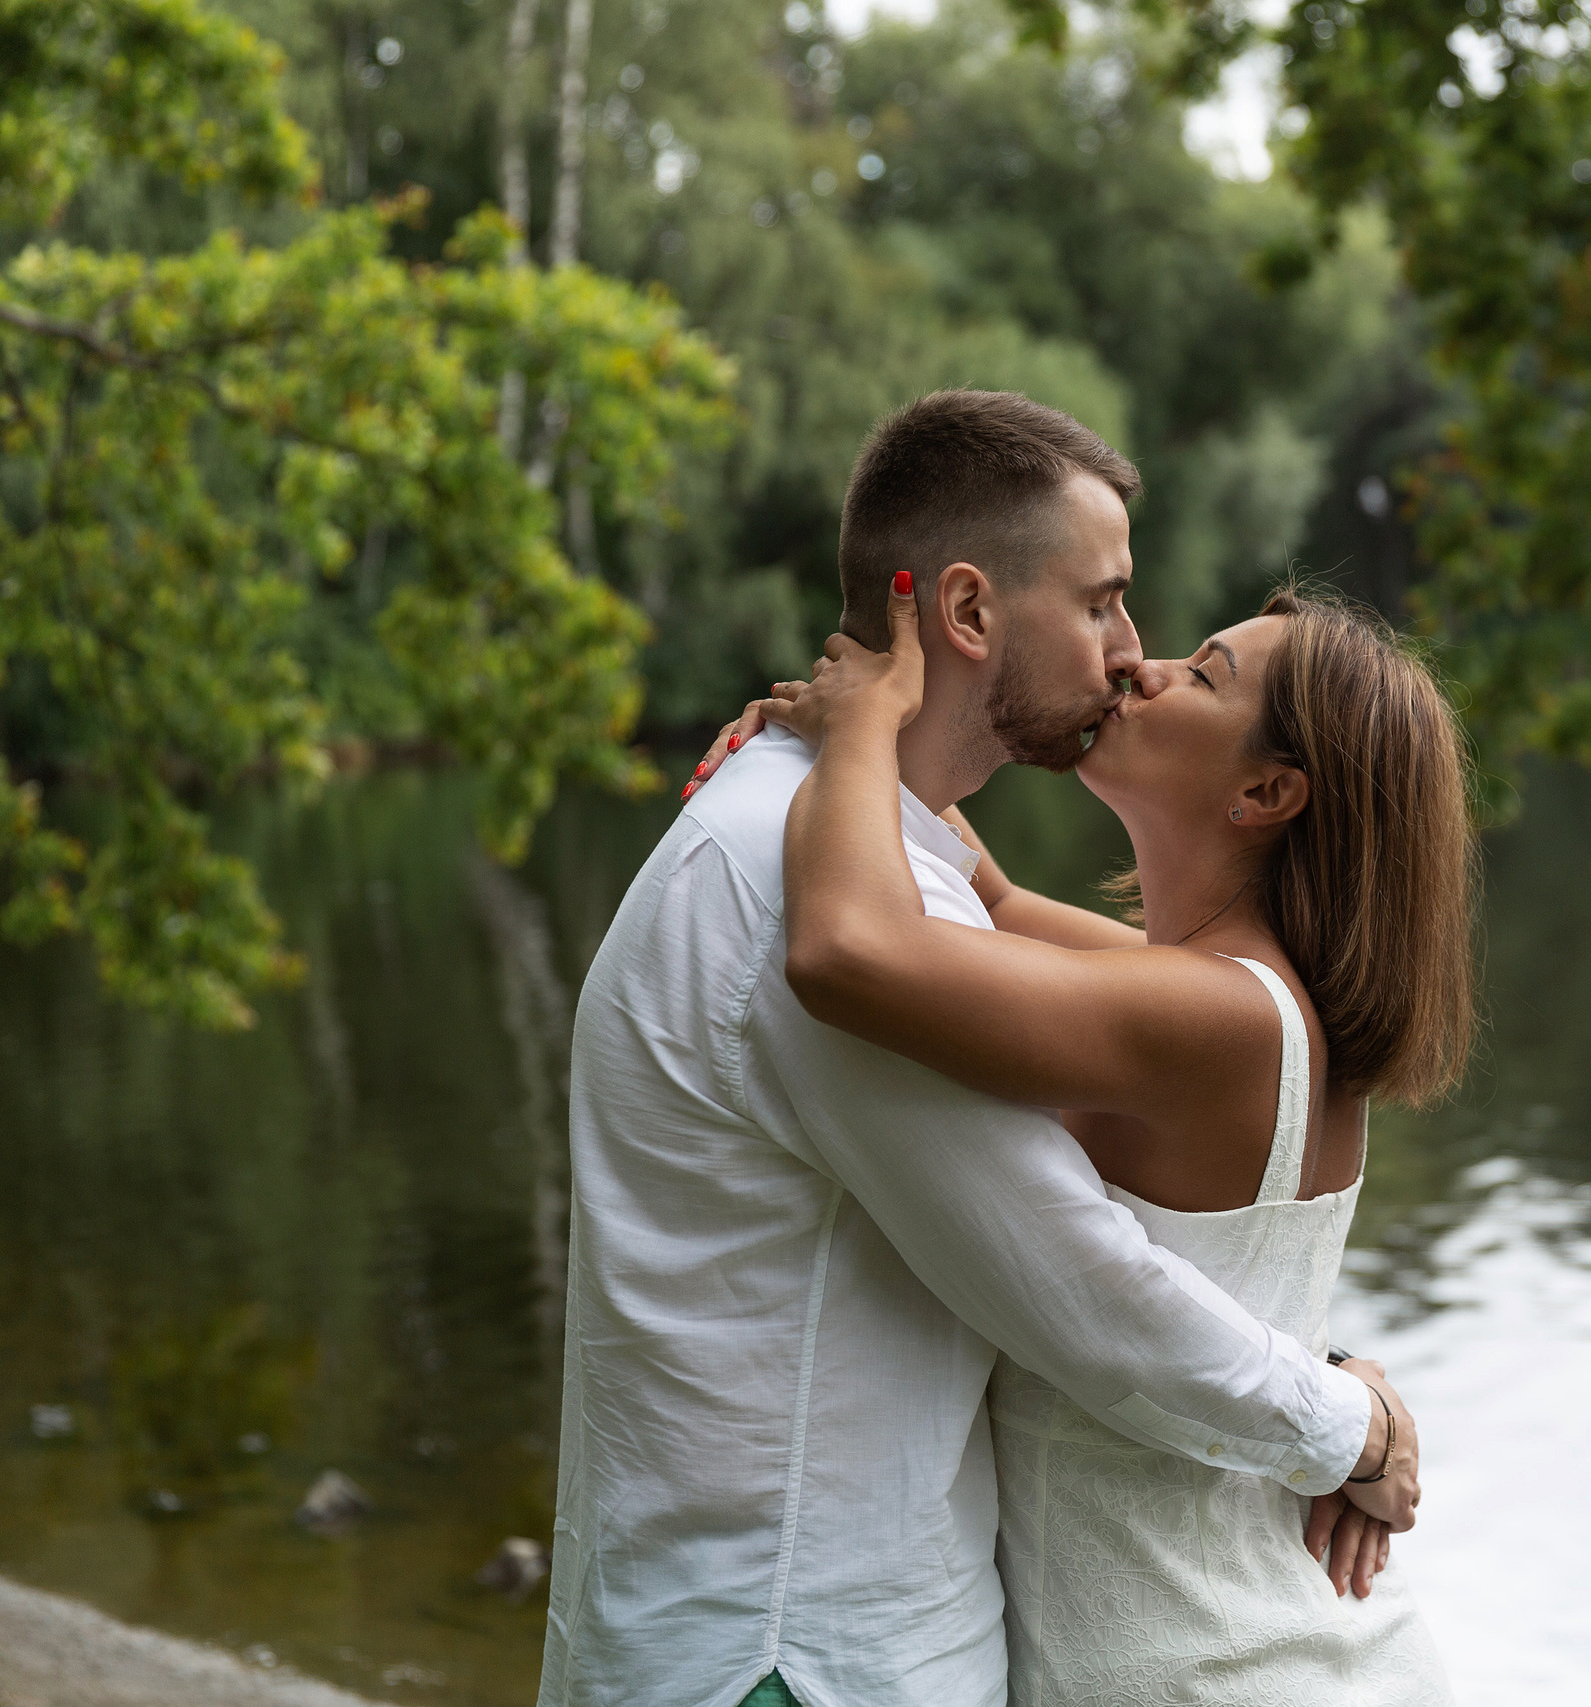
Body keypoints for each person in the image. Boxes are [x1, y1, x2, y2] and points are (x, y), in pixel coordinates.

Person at [539, 391, 1420, 1707]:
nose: (1134, 652)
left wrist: (864, 756)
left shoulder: (866, 852)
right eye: (1106, 601)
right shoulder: (824, 876)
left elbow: (1053, 965)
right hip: (793, 1655)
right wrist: (1355, 1424)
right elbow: (1084, 1286)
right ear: (966, 614)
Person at [731, 567, 1479, 1704]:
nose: (1142, 663)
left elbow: (848, 954)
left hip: (1220, 1672)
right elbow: (989, 902)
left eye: (1203, 675)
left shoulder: (1215, 1018)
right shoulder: (1226, 998)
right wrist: (883, 737)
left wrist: (861, 730)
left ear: (1265, 792)